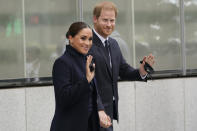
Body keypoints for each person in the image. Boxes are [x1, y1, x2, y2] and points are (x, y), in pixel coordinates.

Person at [89, 1, 155, 131]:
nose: (109, 25)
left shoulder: (113, 44)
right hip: (92, 113)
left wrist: (141, 71)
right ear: (95, 19)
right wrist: (98, 108)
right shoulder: (87, 44)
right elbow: (87, 83)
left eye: (112, 20)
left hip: (109, 112)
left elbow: (123, 70)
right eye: (105, 20)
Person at [50, 22, 105, 131]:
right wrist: (86, 80)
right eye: (83, 38)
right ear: (70, 38)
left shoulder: (88, 60)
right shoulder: (62, 63)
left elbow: (94, 93)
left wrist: (100, 110)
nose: (87, 43)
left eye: (90, 39)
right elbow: (63, 98)